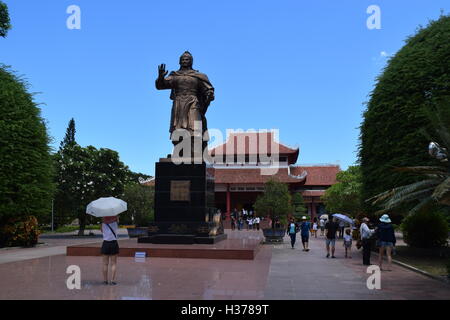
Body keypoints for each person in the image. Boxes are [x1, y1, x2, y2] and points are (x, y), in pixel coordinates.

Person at [101, 216, 120, 285]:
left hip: (105, 243)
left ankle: (105, 281)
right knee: (113, 263)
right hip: (114, 243)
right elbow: (117, 221)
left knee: (105, 263)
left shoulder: (103, 223)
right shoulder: (115, 222)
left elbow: (102, 231)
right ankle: (112, 281)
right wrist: (116, 218)